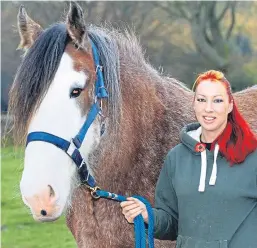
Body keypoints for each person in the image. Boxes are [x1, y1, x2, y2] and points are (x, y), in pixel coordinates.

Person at [120, 70, 257, 248]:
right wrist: (148, 215)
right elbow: (171, 222)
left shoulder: (252, 157)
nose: (208, 108)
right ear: (194, 104)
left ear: (230, 105)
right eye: (201, 100)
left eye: (217, 100)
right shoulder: (176, 158)